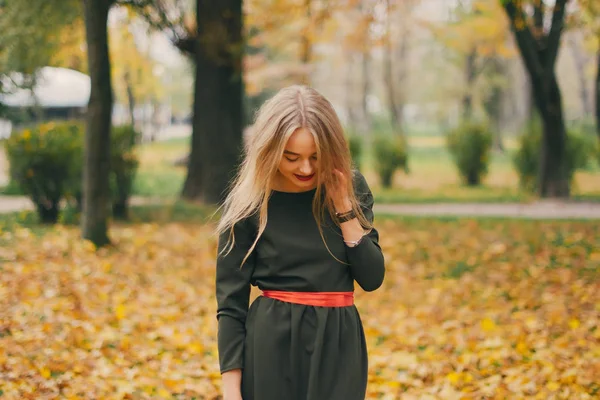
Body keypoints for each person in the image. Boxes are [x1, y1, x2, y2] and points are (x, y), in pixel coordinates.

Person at [215, 85, 386, 400]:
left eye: (315, 157)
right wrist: (231, 391)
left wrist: (344, 209)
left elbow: (372, 278)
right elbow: (231, 304)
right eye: (291, 157)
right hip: (271, 345)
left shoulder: (348, 186)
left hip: (339, 343)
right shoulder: (249, 202)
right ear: (269, 148)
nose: (306, 169)